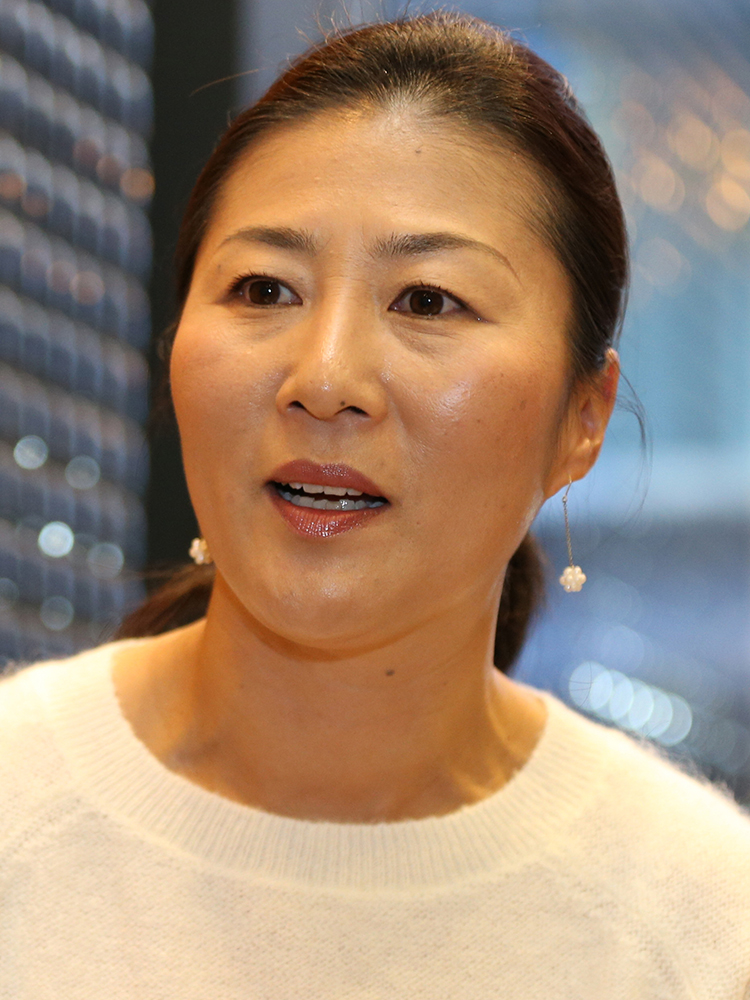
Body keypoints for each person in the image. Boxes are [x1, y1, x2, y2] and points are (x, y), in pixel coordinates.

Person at [1, 12, 749, 998]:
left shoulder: (703, 924)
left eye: (428, 301)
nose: (324, 377)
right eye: (264, 289)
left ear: (583, 417)